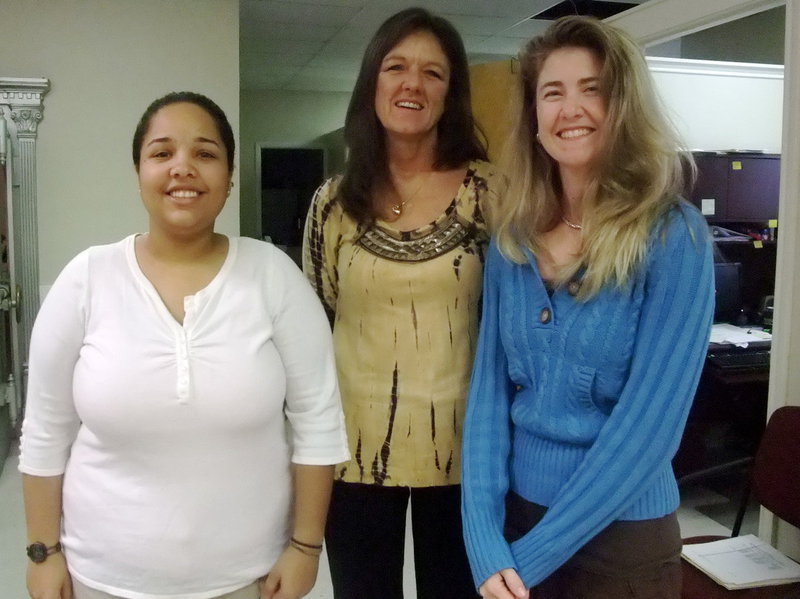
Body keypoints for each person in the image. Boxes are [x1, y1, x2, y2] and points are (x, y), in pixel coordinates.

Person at [19, 91, 349, 599]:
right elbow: (45, 430)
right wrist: (43, 553)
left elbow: (318, 422)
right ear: (138, 173)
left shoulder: (273, 277)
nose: (183, 168)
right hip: (102, 576)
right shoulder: (87, 278)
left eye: (205, 153)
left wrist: (306, 549)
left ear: (231, 176)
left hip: (250, 578)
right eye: (161, 153)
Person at [461, 16, 714, 599]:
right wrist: (484, 539)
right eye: (553, 93)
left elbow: (649, 431)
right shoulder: (512, 240)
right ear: (535, 118)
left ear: (623, 105)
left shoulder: (676, 239)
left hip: (624, 542)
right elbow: (487, 398)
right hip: (516, 524)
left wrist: (535, 556)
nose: (570, 108)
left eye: (592, 88)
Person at [302, 7, 504, 599]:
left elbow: (509, 324)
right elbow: (319, 322)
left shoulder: (493, 194)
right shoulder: (333, 204)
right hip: (355, 455)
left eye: (432, 73)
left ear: (451, 92)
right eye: (396, 67)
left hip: (468, 455)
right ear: (373, 82)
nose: (412, 83)